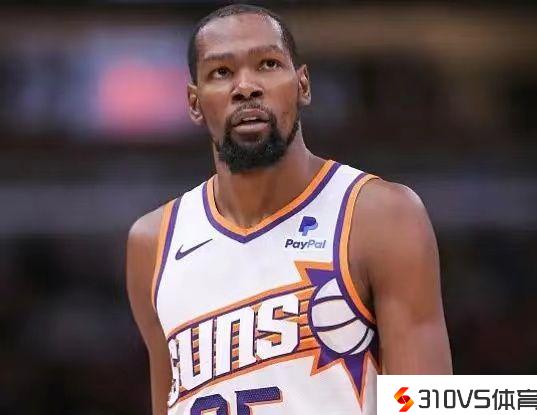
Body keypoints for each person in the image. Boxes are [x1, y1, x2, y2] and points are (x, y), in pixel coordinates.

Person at [126, 4, 452, 415]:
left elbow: (428, 404)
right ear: (194, 103)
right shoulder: (152, 243)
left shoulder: (380, 216)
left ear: (303, 85)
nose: (246, 87)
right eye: (221, 72)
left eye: (268, 64)